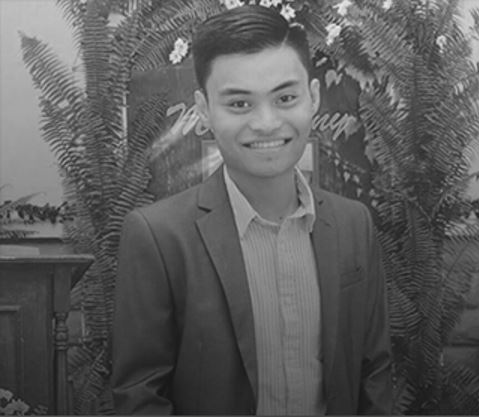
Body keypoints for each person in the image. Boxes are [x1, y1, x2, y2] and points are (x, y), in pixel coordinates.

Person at [111, 4, 392, 415]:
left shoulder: (353, 224)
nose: (266, 123)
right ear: (204, 110)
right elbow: (140, 396)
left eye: (286, 98)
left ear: (313, 98)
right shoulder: (158, 237)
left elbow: (374, 372)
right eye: (240, 104)